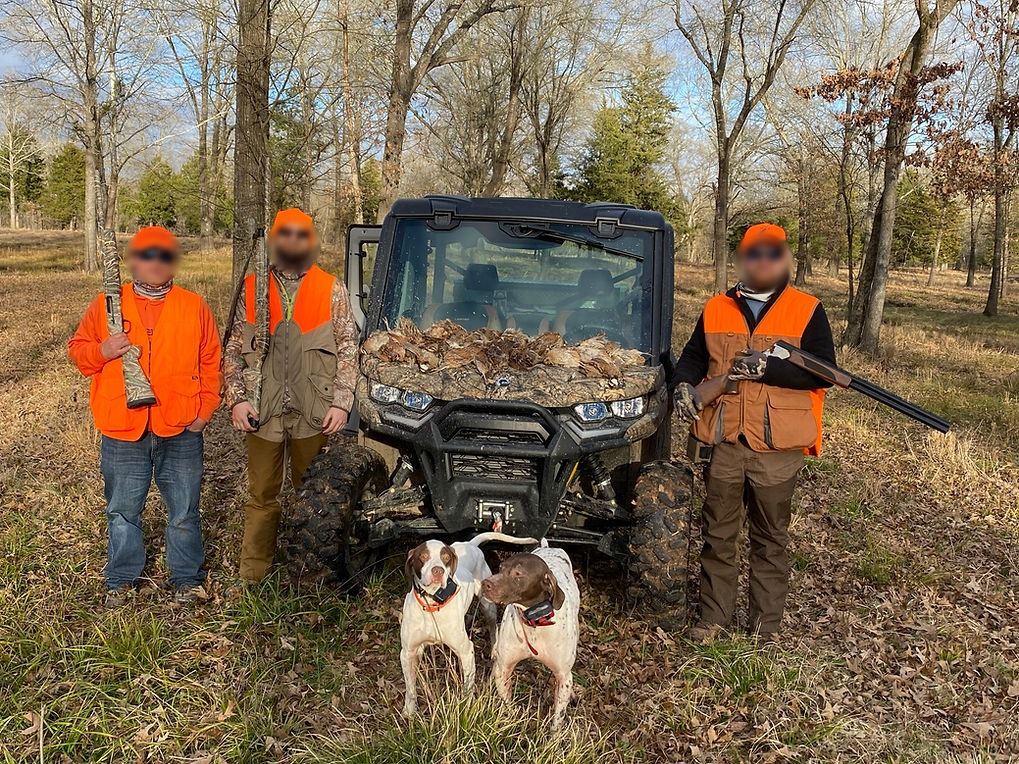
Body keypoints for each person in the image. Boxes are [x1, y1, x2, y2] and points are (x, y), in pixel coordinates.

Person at [672, 223, 836, 644]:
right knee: (718, 535)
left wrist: (769, 368)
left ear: (785, 258)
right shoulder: (716, 307)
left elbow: (824, 372)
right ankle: (713, 620)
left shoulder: (808, 308)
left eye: (773, 253)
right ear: (744, 259)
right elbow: (693, 357)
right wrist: (684, 385)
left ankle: (766, 629)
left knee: (770, 539)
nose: (764, 261)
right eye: (754, 253)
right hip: (725, 441)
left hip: (777, 447)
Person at [68, 226, 222, 606]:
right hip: (123, 426)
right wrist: (103, 350)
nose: (155, 262)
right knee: (122, 511)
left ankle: (186, 579)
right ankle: (122, 579)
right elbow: (78, 352)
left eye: (164, 255)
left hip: (180, 425)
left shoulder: (194, 305)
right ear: (133, 260)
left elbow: (211, 362)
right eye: (147, 254)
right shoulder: (107, 303)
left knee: (184, 511)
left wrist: (203, 412)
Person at [223, 207, 359, 583]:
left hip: (313, 409)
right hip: (262, 410)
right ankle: (254, 577)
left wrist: (341, 402)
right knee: (262, 495)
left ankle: (309, 574)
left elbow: (349, 346)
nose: (293, 241)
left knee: (313, 495)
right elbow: (232, 349)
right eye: (286, 233)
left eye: (302, 235)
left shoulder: (331, 288)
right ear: (274, 240)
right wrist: (237, 399)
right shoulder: (252, 287)